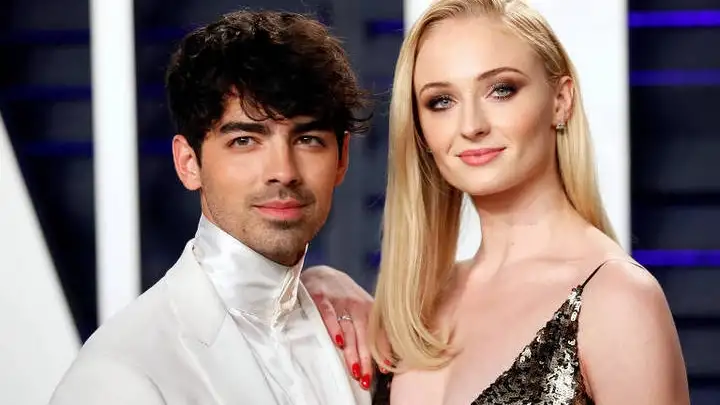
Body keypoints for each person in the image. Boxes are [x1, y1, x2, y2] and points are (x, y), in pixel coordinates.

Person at [302, 0, 691, 404]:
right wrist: (313, 285)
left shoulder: (617, 300)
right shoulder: (415, 309)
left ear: (561, 100)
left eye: (501, 90)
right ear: (419, 129)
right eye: (441, 101)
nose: (471, 126)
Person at [49, 9, 373, 405]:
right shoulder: (121, 373)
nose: (283, 172)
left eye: (307, 139)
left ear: (342, 158)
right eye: (244, 141)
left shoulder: (353, 333)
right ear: (188, 163)